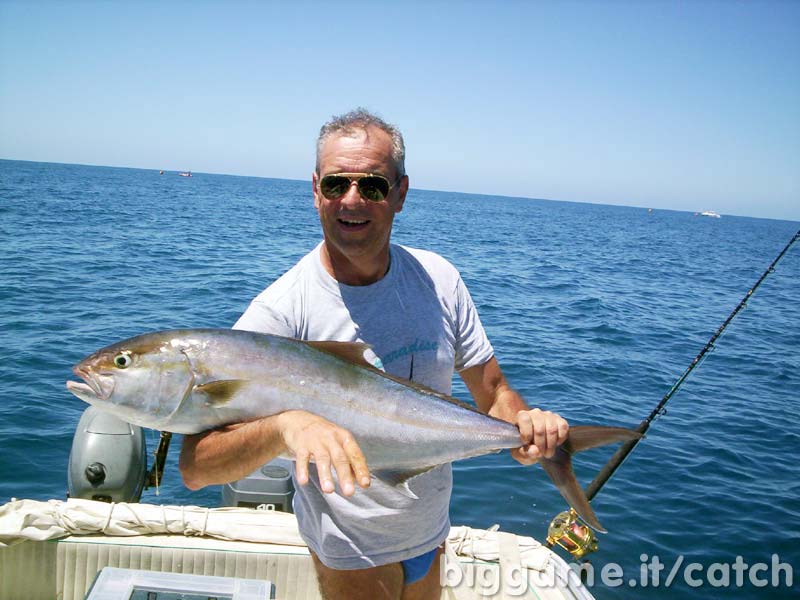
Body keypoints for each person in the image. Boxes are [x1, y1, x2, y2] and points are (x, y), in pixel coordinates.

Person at [179, 108, 569, 600]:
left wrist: (525, 427)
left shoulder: (439, 280)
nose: (351, 199)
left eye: (373, 186)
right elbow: (196, 468)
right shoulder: (281, 313)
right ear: (315, 190)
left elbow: (493, 393)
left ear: (400, 194)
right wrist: (283, 427)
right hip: (352, 553)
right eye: (336, 184)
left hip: (432, 531)